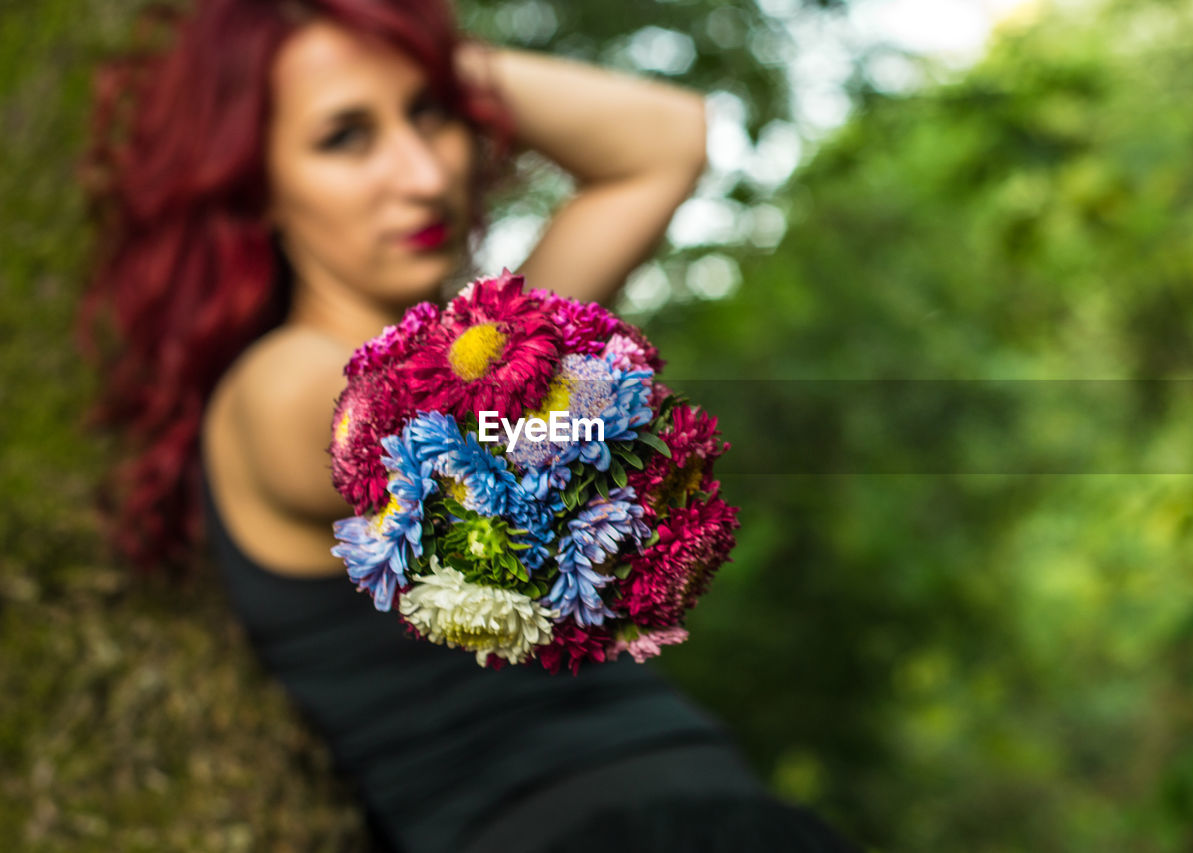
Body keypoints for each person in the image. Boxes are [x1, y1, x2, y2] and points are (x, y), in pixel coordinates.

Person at [79, 1, 858, 850]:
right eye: (346, 137)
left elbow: (665, 141)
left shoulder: (485, 353)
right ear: (257, 183)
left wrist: (420, 53)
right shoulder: (281, 386)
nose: (421, 175)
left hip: (715, 805)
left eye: (431, 116)